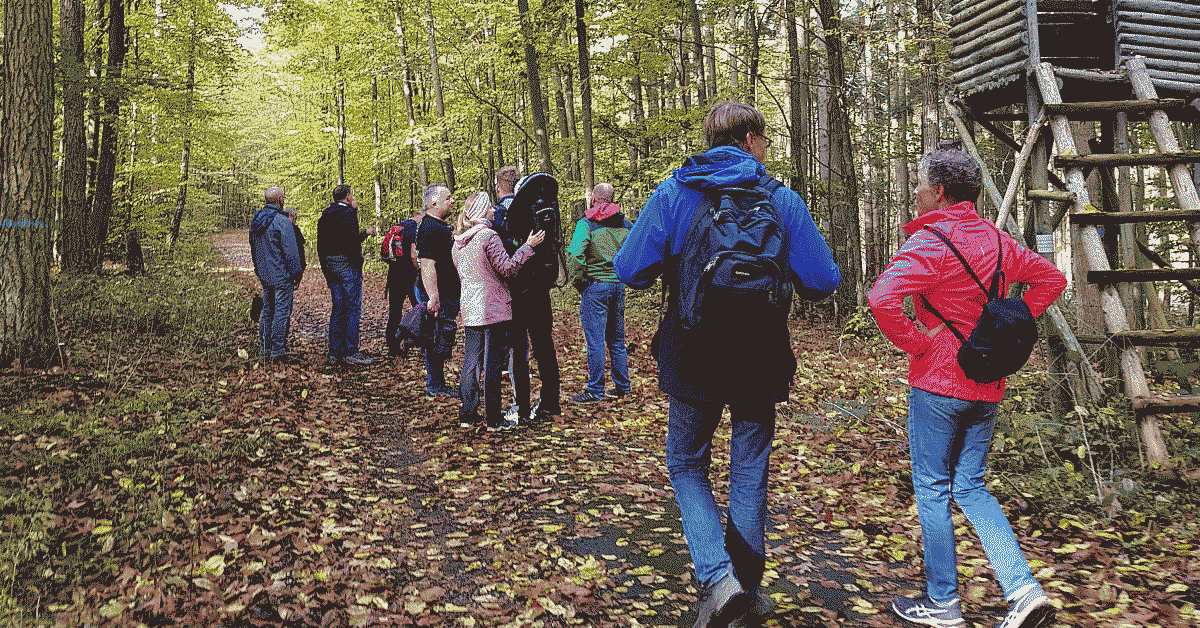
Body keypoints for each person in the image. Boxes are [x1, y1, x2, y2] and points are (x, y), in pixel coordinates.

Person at [613, 101, 840, 627]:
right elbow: (824, 280)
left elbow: (629, 269)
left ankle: (718, 580)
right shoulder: (779, 200)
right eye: (763, 140)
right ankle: (745, 588)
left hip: (693, 354)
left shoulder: (676, 193)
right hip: (761, 357)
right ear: (751, 139)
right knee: (749, 464)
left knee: (687, 463)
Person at [868, 144, 1065, 628]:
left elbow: (881, 298)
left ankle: (943, 603)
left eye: (918, 185)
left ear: (938, 191)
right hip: (986, 381)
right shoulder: (998, 243)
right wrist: (1005, 325)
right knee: (971, 488)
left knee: (933, 488)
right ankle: (1022, 590)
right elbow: (1051, 279)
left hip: (937, 382)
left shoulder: (930, 243)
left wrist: (915, 343)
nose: (914, 193)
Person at [452, 191, 545, 430]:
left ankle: (468, 413)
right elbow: (507, 268)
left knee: (471, 362)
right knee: (492, 363)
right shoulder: (488, 237)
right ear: (483, 210)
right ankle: (494, 417)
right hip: (493, 307)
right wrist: (528, 246)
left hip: (471, 307)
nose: (495, 211)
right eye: (491, 208)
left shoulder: (459, 242)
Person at [492, 166, 560, 424]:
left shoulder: (501, 215)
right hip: (541, 285)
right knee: (544, 344)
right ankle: (551, 402)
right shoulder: (543, 208)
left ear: (499, 186)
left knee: (518, 348)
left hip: (517, 289)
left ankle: (521, 405)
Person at [566, 182, 632, 404]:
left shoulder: (586, 223)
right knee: (617, 339)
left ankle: (595, 390)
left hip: (595, 286)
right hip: (618, 285)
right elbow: (634, 250)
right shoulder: (625, 223)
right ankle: (623, 386)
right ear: (612, 199)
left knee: (595, 341)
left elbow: (575, 255)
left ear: (593, 198)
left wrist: (580, 282)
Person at [317, 184, 377, 367]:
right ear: (348, 197)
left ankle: (335, 352)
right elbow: (351, 241)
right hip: (346, 265)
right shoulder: (349, 214)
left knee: (338, 307)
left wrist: (325, 268)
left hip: (330, 264)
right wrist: (357, 263)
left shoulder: (325, 215)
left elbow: (321, 244)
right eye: (352, 195)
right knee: (352, 308)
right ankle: (350, 351)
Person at [416, 183, 461, 397]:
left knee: (442, 337)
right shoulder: (429, 228)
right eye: (448, 198)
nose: (452, 201)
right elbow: (427, 264)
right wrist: (433, 296)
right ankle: (435, 385)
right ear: (434, 202)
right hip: (438, 293)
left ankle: (438, 382)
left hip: (448, 291)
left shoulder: (440, 226)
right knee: (436, 338)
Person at [249, 186, 303, 363]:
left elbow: (253, 249)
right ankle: (278, 350)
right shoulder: (282, 221)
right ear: (279, 200)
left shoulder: (256, 220)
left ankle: (265, 349)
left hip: (265, 275)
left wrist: (258, 270)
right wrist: (296, 273)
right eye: (283, 197)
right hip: (281, 275)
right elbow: (291, 251)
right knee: (281, 311)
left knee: (267, 311)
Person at [385, 210, 421, 357]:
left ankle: (392, 346)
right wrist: (420, 269)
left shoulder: (399, 227)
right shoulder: (413, 228)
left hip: (394, 275)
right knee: (420, 309)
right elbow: (413, 255)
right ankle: (411, 340)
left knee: (394, 312)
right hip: (410, 276)